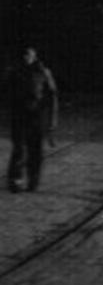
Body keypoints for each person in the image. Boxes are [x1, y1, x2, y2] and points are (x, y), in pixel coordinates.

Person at [6, 46, 58, 192]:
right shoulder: (14, 72)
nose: (26, 57)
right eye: (24, 55)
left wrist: (52, 123)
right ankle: (16, 180)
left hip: (37, 116)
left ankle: (33, 181)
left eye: (29, 54)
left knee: (35, 150)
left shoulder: (43, 72)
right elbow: (6, 93)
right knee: (19, 149)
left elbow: (52, 97)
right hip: (19, 116)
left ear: (34, 56)